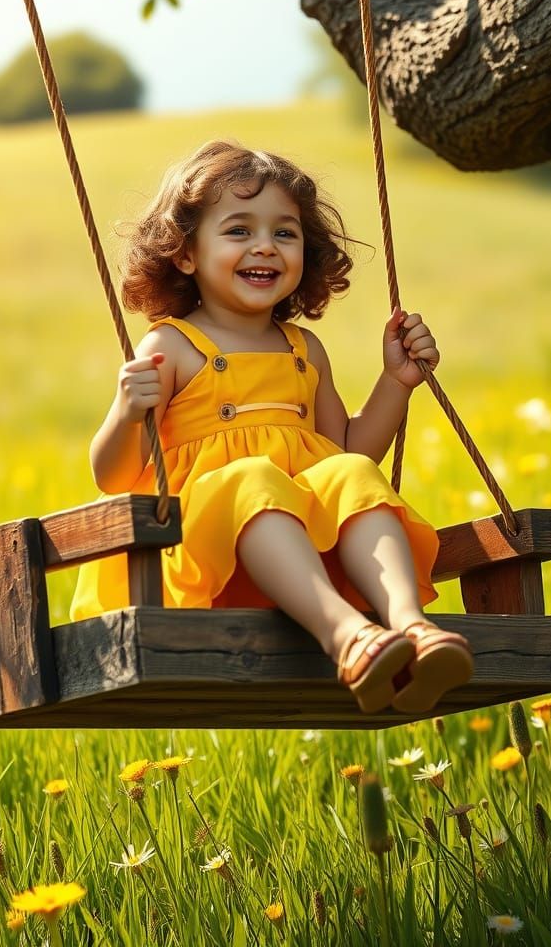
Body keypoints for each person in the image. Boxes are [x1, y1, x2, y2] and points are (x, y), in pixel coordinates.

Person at [71, 140, 472, 713]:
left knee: (354, 474)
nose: (265, 246)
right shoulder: (173, 346)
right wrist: (127, 410)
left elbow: (347, 452)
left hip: (300, 565)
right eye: (238, 231)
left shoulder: (304, 349)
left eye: (285, 233)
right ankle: (347, 638)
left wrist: (397, 382)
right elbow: (113, 476)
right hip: (202, 560)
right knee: (253, 479)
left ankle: (410, 628)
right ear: (186, 254)